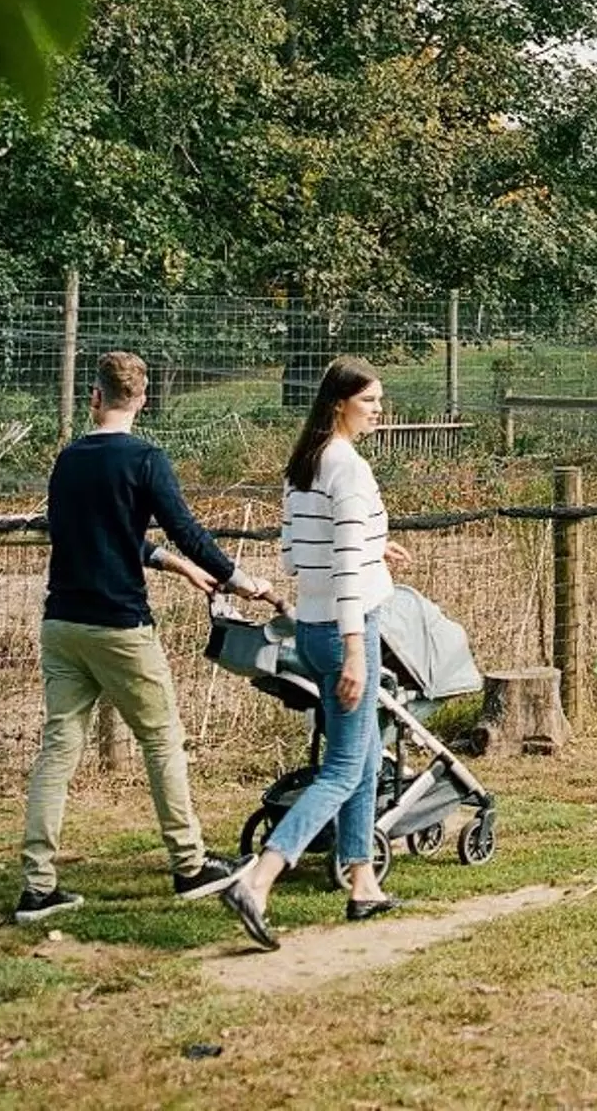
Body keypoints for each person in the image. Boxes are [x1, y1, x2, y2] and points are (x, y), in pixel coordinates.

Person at [15, 349, 273, 926]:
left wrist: (172, 566)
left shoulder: (68, 461)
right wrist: (242, 580)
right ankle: (188, 865)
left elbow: (91, 535)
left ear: (94, 397)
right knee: (161, 739)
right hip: (119, 624)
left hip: (61, 625)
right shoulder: (145, 459)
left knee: (58, 749)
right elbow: (186, 528)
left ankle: (37, 886)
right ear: (144, 401)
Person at [220, 355, 414, 948]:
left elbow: (297, 555)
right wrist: (358, 651)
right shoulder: (349, 469)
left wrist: (374, 545)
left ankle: (362, 884)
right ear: (340, 404)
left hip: (312, 624)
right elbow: (347, 569)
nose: (379, 411)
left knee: (360, 761)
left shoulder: (304, 466)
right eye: (370, 401)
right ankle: (259, 879)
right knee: (342, 768)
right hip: (347, 630)